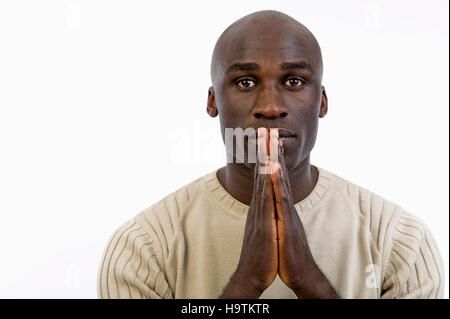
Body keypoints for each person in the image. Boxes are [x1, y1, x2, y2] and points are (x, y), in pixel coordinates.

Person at [97, 10, 444, 299]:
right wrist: (247, 280)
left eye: (293, 81)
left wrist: (307, 278)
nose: (270, 107)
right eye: (245, 82)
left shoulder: (401, 242)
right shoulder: (143, 249)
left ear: (321, 102)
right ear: (213, 101)